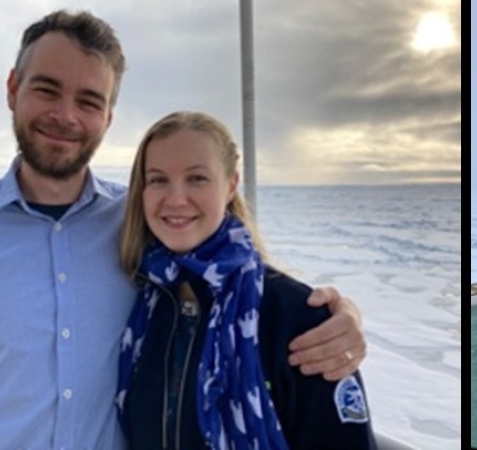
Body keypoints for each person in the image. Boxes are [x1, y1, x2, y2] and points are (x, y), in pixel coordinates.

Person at [0, 9, 365, 449]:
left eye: (89, 101)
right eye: (47, 90)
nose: (65, 115)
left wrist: (339, 314)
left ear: (107, 117)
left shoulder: (142, 222)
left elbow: (229, 273)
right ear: (13, 89)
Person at [116, 111, 377, 448]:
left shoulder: (299, 316)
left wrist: (349, 314)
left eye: (197, 178)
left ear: (231, 185)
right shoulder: (145, 297)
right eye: (158, 179)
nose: (176, 199)